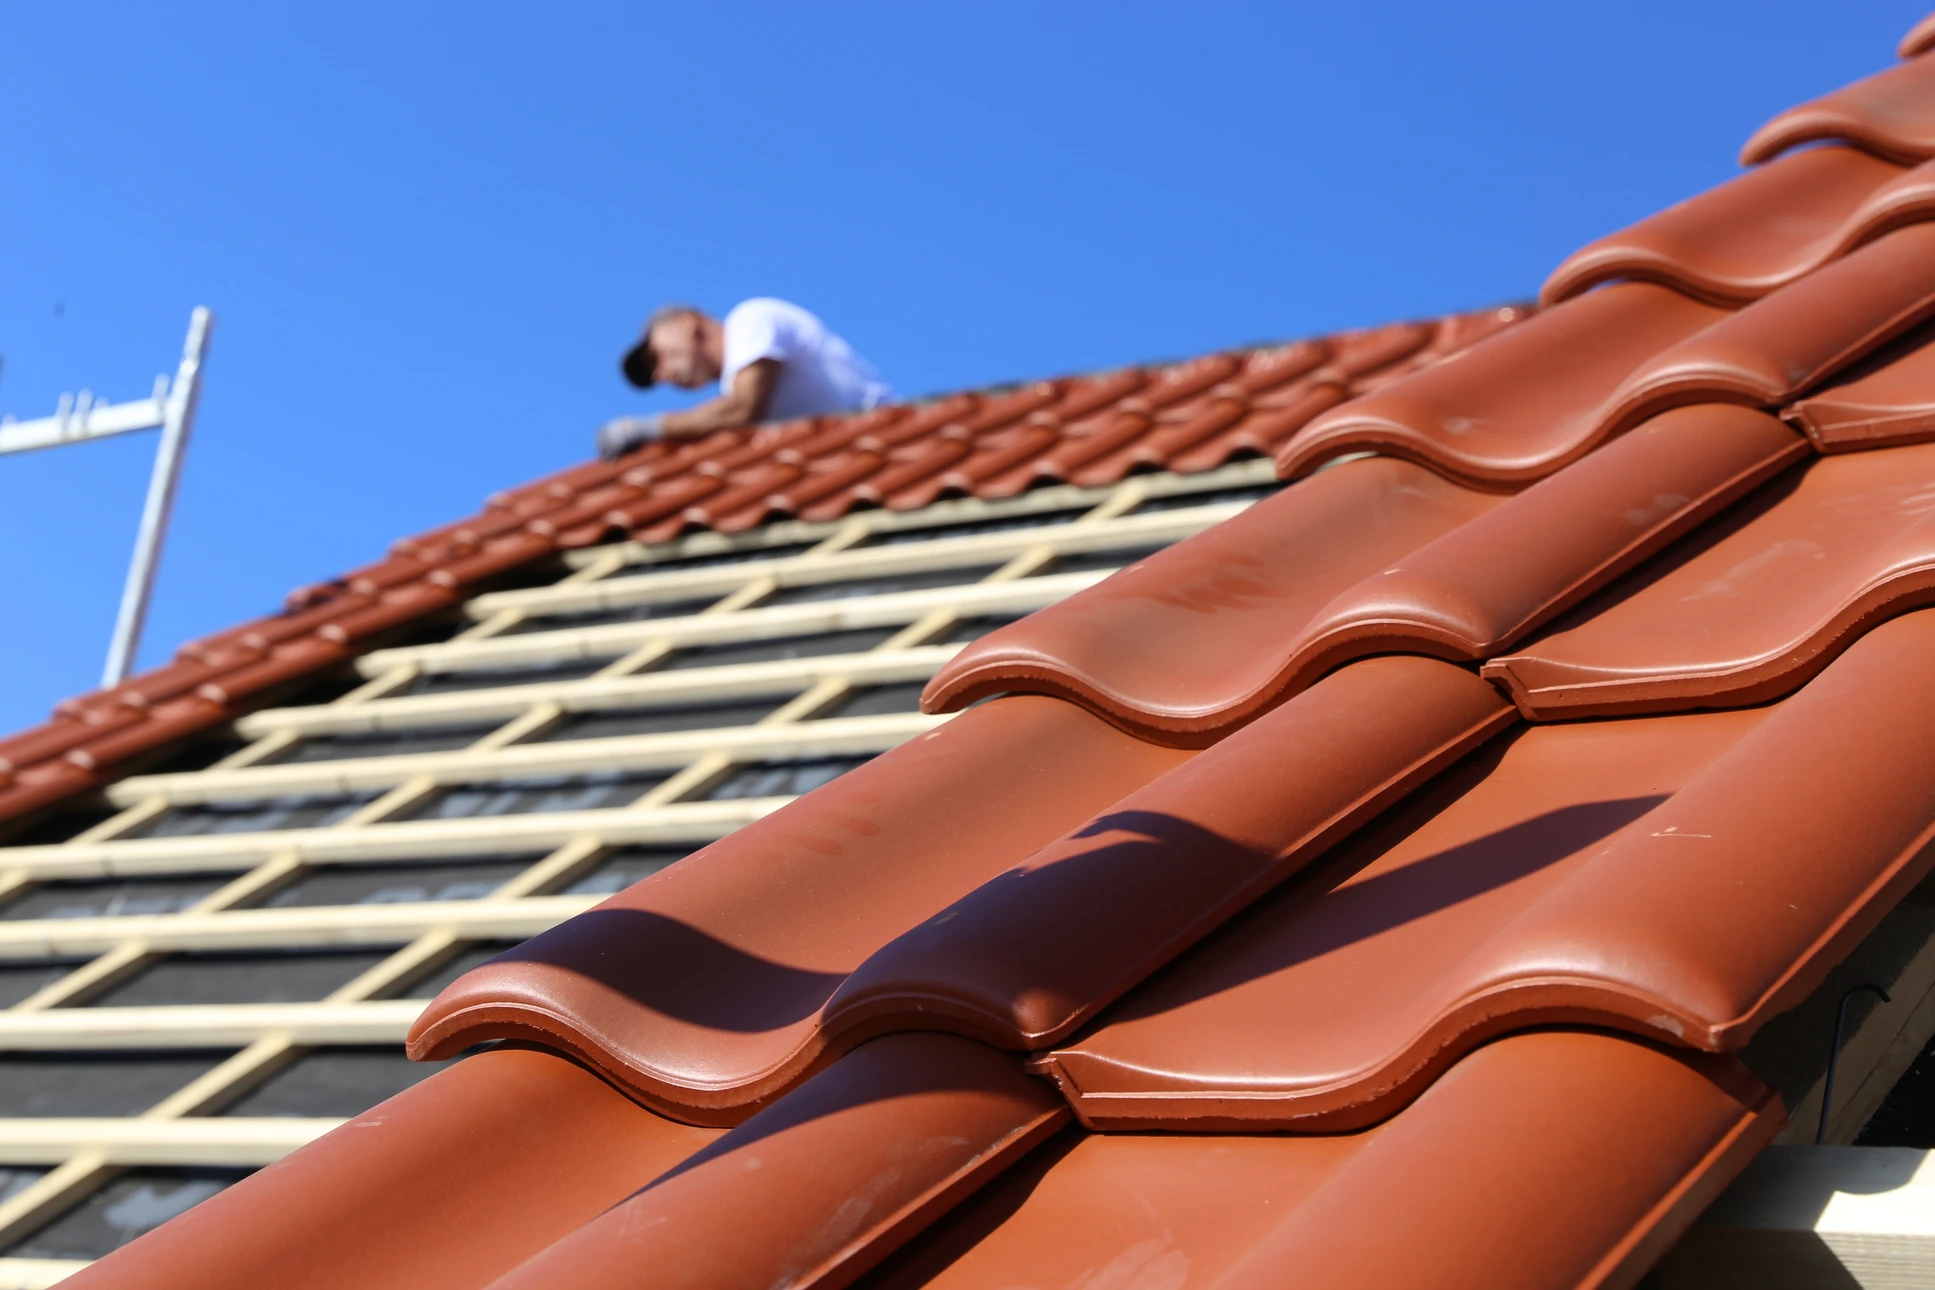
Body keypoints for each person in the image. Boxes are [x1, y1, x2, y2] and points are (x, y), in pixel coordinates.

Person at [598, 298, 893, 458]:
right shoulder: (733, 385)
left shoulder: (750, 318)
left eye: (655, 356)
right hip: (856, 452)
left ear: (687, 322)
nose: (661, 374)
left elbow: (742, 408)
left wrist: (646, 429)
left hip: (890, 439)